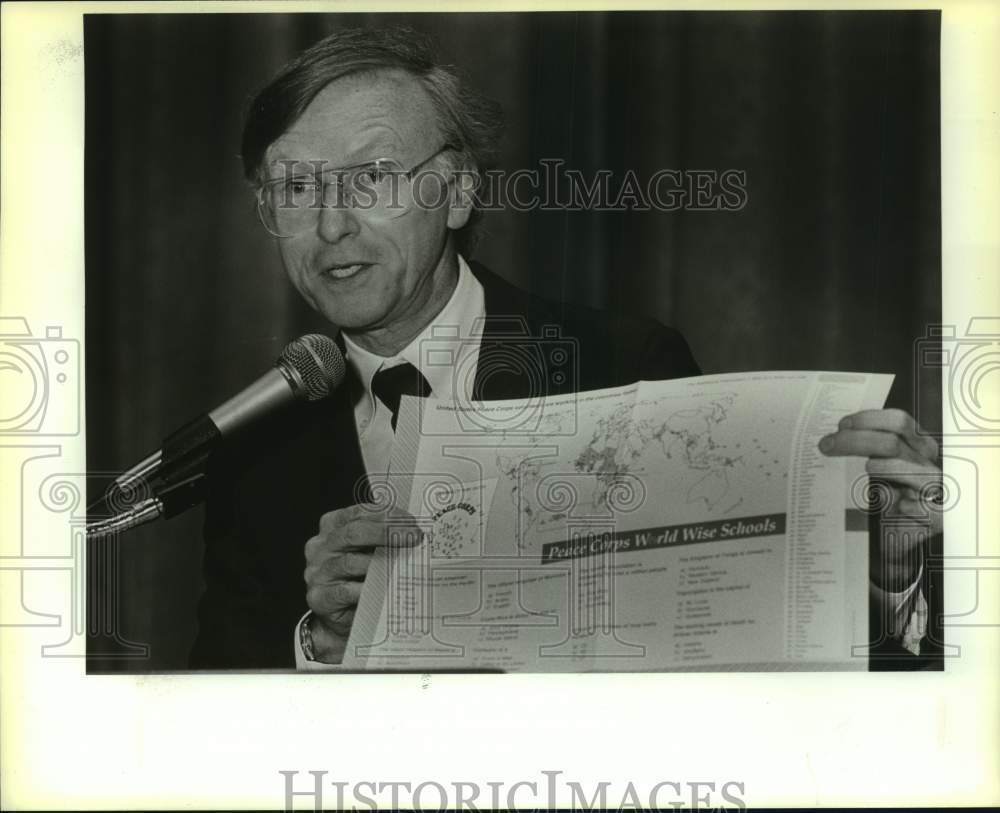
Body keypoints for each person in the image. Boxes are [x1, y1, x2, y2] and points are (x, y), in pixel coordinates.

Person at [189, 27, 943, 670]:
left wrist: (885, 571)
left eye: (372, 177)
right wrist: (322, 644)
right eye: (295, 188)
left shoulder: (623, 364)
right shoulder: (249, 446)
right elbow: (201, 742)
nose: (330, 225)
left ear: (456, 193)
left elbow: (731, 643)